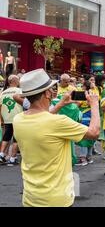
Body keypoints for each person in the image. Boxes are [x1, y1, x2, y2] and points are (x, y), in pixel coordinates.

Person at [13, 69, 100, 207]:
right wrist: (95, 105)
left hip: (31, 198)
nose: (54, 92)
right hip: (57, 199)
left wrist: (59, 105)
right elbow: (94, 132)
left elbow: (41, 120)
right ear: (47, 93)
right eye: (52, 89)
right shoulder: (58, 122)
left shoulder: (18, 120)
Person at [0, 75, 24, 165]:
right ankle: (13, 158)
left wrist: (2, 118)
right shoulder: (19, 91)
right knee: (16, 138)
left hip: (7, 117)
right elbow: (25, 103)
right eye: (18, 80)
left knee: (6, 136)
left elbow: (0, 106)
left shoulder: (3, 92)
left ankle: (1, 154)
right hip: (18, 116)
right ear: (15, 81)